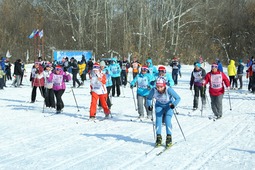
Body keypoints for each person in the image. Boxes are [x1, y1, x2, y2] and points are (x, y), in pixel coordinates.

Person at [146, 77, 181, 148]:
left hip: (168, 105)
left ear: (164, 85)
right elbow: (149, 99)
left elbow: (178, 98)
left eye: (161, 87)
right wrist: (149, 105)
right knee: (158, 120)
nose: (159, 89)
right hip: (159, 105)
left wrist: (173, 104)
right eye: (157, 87)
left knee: (167, 120)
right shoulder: (154, 90)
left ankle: (169, 137)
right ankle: (158, 137)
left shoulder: (169, 90)